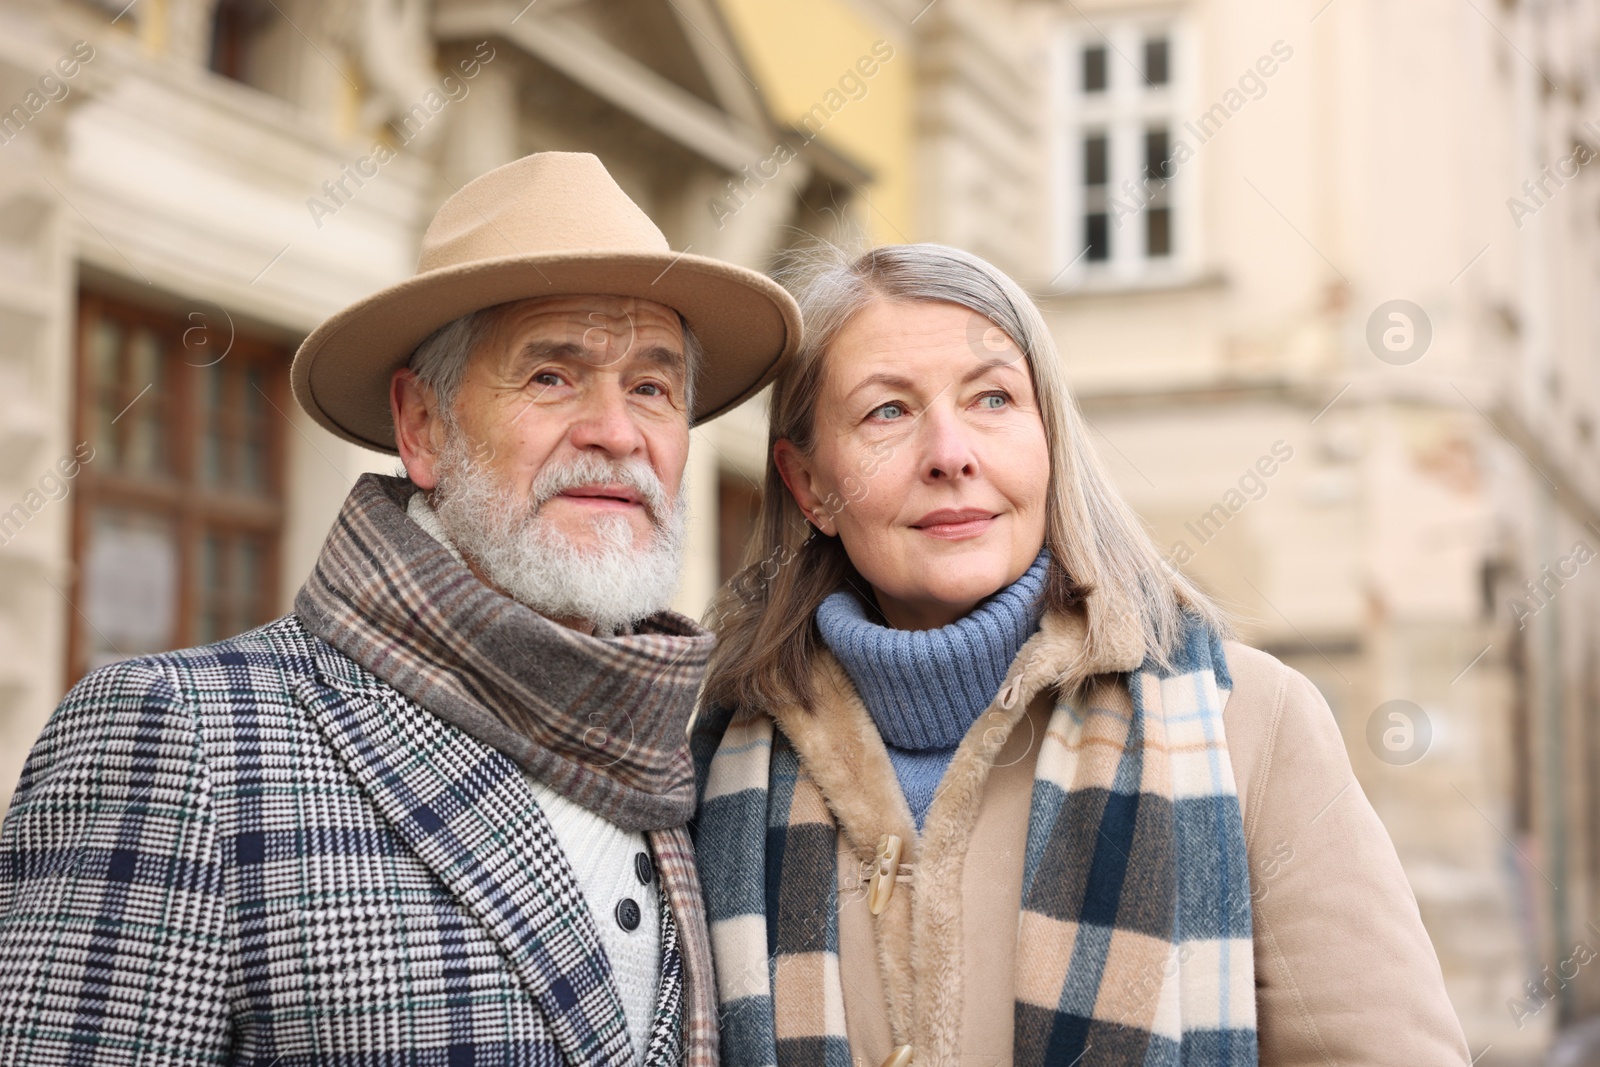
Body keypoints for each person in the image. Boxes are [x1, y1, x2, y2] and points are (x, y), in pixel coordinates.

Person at [0, 152, 799, 1067]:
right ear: (423, 427)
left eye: (651, 388)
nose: (616, 433)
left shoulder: (693, 762)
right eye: (550, 376)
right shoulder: (180, 736)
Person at [691, 243, 1469, 1066]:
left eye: (993, 397)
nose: (950, 452)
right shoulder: (715, 757)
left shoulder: (1252, 722)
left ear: (1050, 439)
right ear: (811, 485)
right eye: (888, 411)